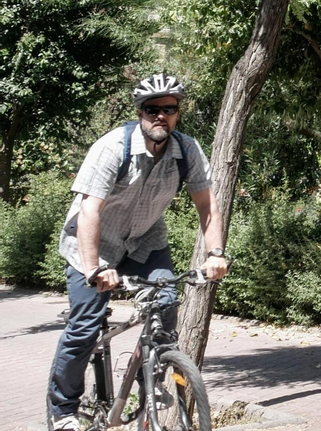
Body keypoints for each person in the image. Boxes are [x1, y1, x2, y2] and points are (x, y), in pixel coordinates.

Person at [45, 74, 231, 431]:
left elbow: (207, 205)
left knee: (165, 306)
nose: (161, 116)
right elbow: (89, 211)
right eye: (152, 109)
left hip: (146, 243)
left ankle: (155, 377)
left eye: (170, 109)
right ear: (140, 112)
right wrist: (95, 268)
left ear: (178, 113)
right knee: (84, 327)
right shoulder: (113, 147)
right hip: (93, 246)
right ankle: (62, 410)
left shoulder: (187, 150)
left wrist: (215, 252)